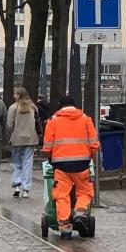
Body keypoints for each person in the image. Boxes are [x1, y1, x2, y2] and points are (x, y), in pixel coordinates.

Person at [41, 96, 98, 238]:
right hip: (82, 164)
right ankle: (79, 213)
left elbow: (47, 146)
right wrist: (90, 155)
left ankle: (65, 227)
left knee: (62, 195)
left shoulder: (53, 121)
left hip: (61, 165)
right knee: (85, 191)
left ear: (60, 106)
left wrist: (51, 158)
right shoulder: (85, 119)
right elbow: (94, 144)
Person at [5, 87, 39, 198]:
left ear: (19, 95)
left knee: (16, 163)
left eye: (15, 94)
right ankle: (26, 188)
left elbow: (9, 125)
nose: (14, 96)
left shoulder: (13, 108)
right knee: (28, 163)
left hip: (17, 139)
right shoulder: (33, 107)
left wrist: (7, 138)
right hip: (31, 138)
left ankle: (17, 185)